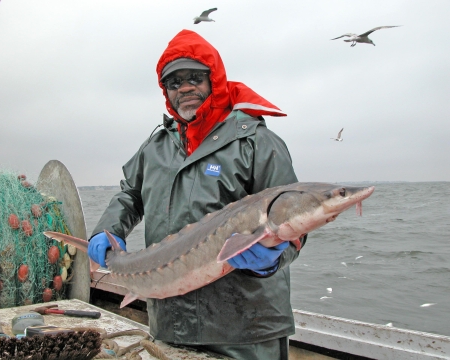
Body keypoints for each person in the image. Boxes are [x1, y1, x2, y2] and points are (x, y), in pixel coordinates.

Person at [88, 29, 306, 360]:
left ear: (213, 79)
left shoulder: (257, 142)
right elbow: (129, 195)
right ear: (166, 92)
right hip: (170, 323)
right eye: (174, 83)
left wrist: (274, 258)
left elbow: (296, 220)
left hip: (246, 330)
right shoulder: (155, 147)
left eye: (195, 78)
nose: (185, 88)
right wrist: (108, 230)